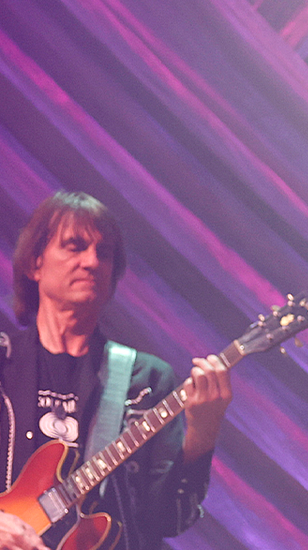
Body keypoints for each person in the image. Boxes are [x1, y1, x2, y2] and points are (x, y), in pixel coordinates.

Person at [0, 192, 233, 550]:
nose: (91, 261)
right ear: (35, 264)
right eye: (75, 246)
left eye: (103, 252)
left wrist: (202, 436)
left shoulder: (147, 380)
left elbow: (168, 519)